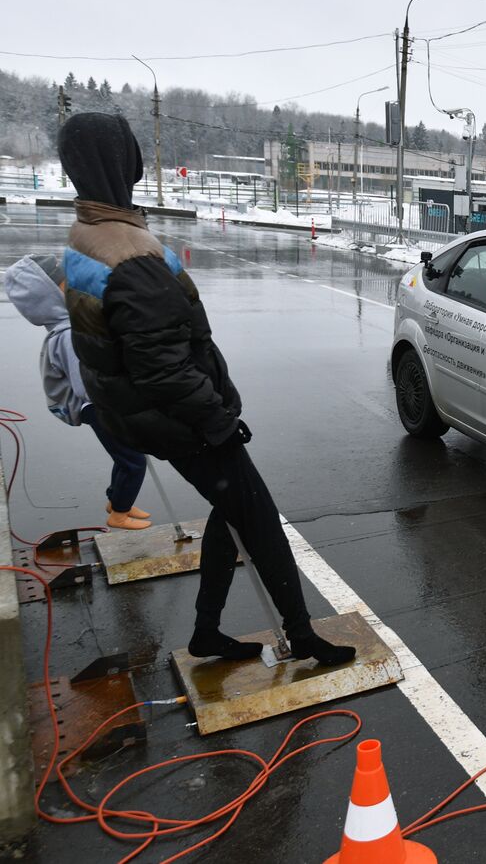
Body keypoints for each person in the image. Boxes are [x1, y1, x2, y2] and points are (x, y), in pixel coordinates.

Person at [57, 112, 354, 666]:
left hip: (144, 412)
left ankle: (206, 633)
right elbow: (163, 368)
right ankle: (303, 636)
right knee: (260, 520)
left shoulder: (90, 231)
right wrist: (217, 419)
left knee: (230, 508)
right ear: (118, 162)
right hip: (180, 420)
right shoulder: (129, 252)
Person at [4, 253, 151, 530]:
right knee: (134, 461)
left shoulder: (68, 328)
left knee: (123, 456)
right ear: (50, 296)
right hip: (97, 407)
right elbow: (86, 385)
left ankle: (117, 499)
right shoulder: (68, 335)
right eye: (66, 285)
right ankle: (118, 514)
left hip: (98, 405)